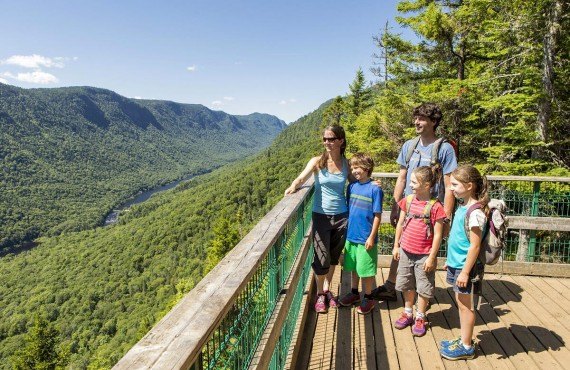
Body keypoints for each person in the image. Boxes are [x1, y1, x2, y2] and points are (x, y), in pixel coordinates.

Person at [373, 102, 457, 302]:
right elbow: (401, 178)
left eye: (422, 119)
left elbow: (449, 185)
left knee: (426, 251)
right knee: (403, 245)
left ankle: (422, 297)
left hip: (430, 212)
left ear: (433, 122)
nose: (417, 122)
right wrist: (396, 205)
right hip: (409, 207)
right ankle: (392, 286)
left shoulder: (445, 149)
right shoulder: (409, 146)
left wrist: (446, 218)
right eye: (416, 118)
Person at [285, 125, 352, 313]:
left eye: (331, 139)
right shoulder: (317, 162)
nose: (327, 143)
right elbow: (301, 178)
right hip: (321, 215)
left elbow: (357, 182)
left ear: (341, 141)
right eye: (325, 139)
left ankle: (326, 290)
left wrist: (372, 183)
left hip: (342, 216)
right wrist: (293, 186)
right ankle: (320, 295)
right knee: (321, 256)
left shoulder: (346, 164)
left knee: (332, 256)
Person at [440, 165, 488, 360]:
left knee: (465, 306)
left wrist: (465, 272)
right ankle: (463, 338)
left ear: (469, 186)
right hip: (457, 264)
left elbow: (475, 246)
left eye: (455, 185)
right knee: (461, 304)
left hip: (464, 268)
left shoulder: (475, 213)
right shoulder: (462, 206)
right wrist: (450, 262)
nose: (451, 188)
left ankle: (467, 346)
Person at [392, 166, 446, 336]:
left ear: (427, 185)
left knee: (424, 286)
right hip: (406, 251)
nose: (411, 184)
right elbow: (400, 224)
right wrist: (396, 245)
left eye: (414, 182)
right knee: (406, 282)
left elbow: (438, 235)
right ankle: (408, 311)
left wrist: (432, 257)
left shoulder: (436, 207)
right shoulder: (407, 201)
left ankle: (420, 316)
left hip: (424, 254)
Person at [338, 153, 383, 315]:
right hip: (351, 235)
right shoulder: (351, 187)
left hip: (366, 238)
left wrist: (371, 236)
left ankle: (369, 297)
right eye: (352, 167)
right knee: (353, 267)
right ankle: (355, 293)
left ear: (366, 168)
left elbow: (377, 215)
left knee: (366, 269)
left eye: (356, 167)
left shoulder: (375, 189)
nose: (353, 170)